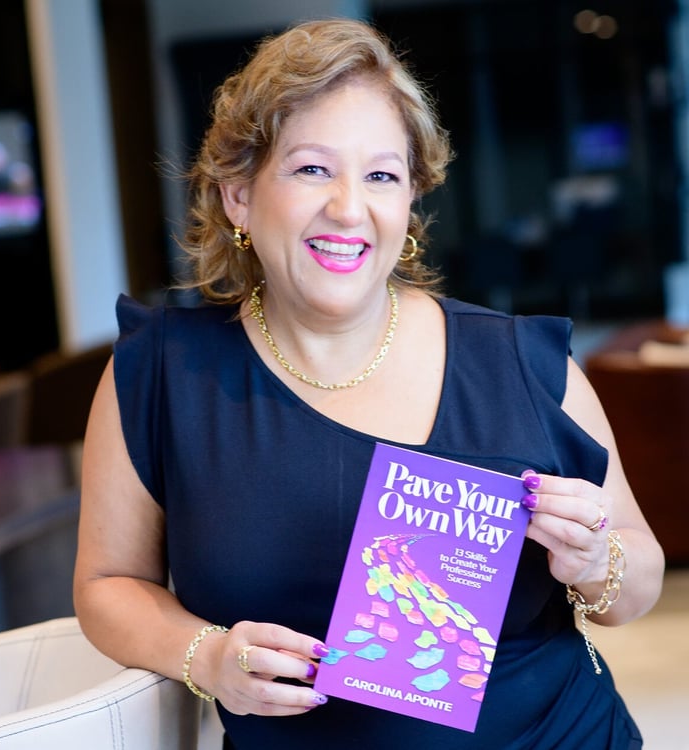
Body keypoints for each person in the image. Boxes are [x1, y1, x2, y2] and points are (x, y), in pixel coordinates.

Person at [74, 18, 664, 750]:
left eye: (381, 175)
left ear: (410, 201)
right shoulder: (161, 374)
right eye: (311, 169)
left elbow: (637, 581)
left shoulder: (523, 365)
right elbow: (106, 585)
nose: (349, 208)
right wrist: (207, 656)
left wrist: (598, 562)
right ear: (237, 195)